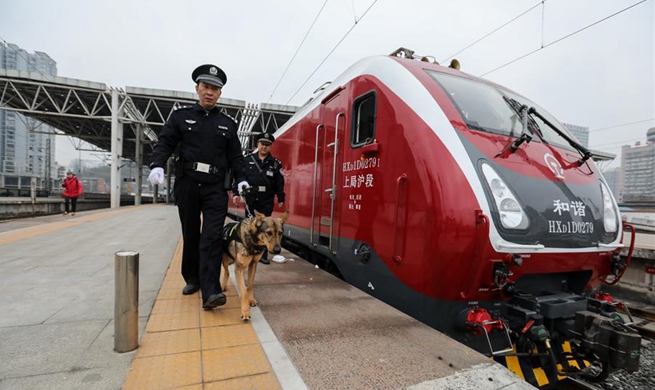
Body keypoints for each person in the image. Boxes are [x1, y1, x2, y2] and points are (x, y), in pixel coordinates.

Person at [148, 64, 249, 310]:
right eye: (206, 87)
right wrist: (157, 164)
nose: (210, 92)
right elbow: (166, 142)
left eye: (215, 89)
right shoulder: (181, 117)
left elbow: (236, 156)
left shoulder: (227, 123)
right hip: (188, 183)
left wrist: (243, 178)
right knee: (191, 233)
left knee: (212, 237)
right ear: (197, 88)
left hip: (215, 187)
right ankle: (192, 278)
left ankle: (211, 290)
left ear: (220, 93)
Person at [232, 132, 286, 264]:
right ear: (258, 144)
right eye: (262, 144)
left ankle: (262, 255)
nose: (264, 147)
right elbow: (240, 178)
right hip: (251, 198)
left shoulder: (275, 164)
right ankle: (248, 250)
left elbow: (279, 182)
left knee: (267, 228)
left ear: (271, 147)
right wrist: (236, 193)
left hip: (266, 199)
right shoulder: (247, 160)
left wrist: (280, 198)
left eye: (267, 145)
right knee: (250, 226)